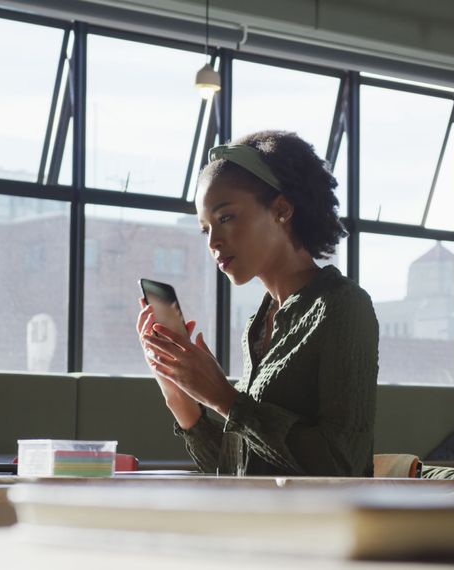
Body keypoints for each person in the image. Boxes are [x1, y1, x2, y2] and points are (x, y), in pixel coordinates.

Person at [135, 130, 378, 477]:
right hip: (260, 525)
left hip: (318, 528)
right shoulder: (258, 324)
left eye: (226, 217)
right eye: (206, 229)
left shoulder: (343, 305)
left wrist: (223, 397)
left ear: (281, 209)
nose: (214, 242)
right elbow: (242, 472)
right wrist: (183, 399)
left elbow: (343, 464)